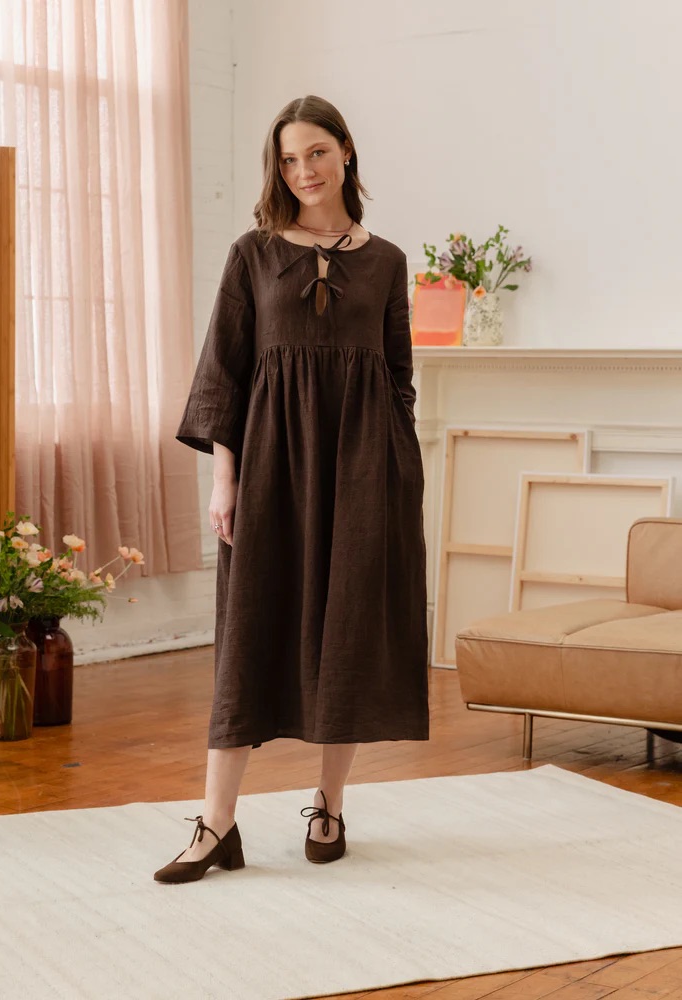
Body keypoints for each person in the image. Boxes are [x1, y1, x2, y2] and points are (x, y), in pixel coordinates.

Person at [154, 95, 428, 885]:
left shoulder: (388, 261)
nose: (302, 170)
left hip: (366, 469)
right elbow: (225, 373)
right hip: (270, 468)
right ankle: (217, 825)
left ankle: (330, 803)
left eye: (315, 152)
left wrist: (396, 468)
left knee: (345, 631)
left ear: (346, 152)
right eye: (287, 158)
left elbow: (399, 378)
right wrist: (223, 478)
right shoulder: (253, 253)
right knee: (248, 636)